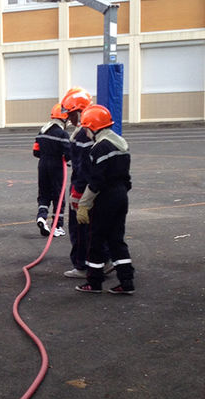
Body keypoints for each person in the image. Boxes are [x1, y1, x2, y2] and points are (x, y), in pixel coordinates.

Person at [74, 104, 135, 294]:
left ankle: (94, 281)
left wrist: (83, 204)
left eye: (86, 127)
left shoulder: (99, 148)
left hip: (105, 199)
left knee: (96, 239)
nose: (85, 131)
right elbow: (126, 179)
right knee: (117, 240)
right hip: (121, 196)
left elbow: (96, 181)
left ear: (93, 127)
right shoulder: (121, 144)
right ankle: (126, 281)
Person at [33, 102, 70, 237]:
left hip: (42, 165)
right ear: (64, 118)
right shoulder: (62, 134)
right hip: (56, 166)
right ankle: (57, 225)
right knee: (58, 196)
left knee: (44, 194)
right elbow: (68, 153)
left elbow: (35, 152)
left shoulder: (42, 131)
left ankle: (42, 216)